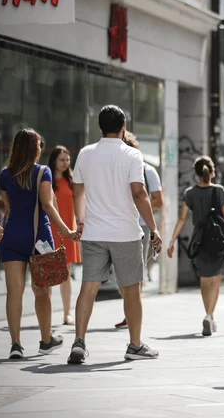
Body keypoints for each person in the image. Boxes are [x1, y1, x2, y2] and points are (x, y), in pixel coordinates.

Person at [69, 105, 162, 364]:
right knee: (132, 291)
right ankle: (134, 345)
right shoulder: (132, 155)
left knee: (88, 288)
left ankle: (79, 342)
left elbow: (78, 190)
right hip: (125, 233)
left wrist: (80, 221)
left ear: (99, 127)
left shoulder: (85, 154)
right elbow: (139, 193)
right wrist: (153, 228)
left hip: (94, 232)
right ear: (123, 128)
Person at [0, 129, 79, 359]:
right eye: (39, 145)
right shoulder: (43, 172)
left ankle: (15, 344)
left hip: (12, 235)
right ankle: (45, 340)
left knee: (14, 293)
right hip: (39, 238)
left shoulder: (5, 174)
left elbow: (9, 208)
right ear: (34, 149)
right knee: (42, 292)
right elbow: (47, 206)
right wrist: (66, 231)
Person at [167, 156, 224, 335]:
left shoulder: (190, 193)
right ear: (212, 172)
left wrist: (172, 241)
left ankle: (208, 315)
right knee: (215, 279)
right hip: (218, 240)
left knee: (204, 280)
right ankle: (210, 315)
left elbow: (182, 218)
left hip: (200, 240)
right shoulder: (219, 191)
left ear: (196, 173)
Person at [114, 131, 164, 329]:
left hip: (140, 227)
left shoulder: (147, 171)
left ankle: (132, 314)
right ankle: (131, 310)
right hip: (116, 224)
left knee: (136, 271)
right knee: (119, 272)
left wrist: (138, 205)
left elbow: (159, 200)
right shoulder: (114, 170)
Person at [47, 146, 81, 326]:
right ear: (54, 161)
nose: (66, 163)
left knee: (66, 273)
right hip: (50, 230)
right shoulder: (46, 181)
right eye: (62, 159)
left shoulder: (72, 181)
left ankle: (67, 314)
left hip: (69, 231)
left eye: (68, 159)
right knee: (50, 273)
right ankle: (47, 314)